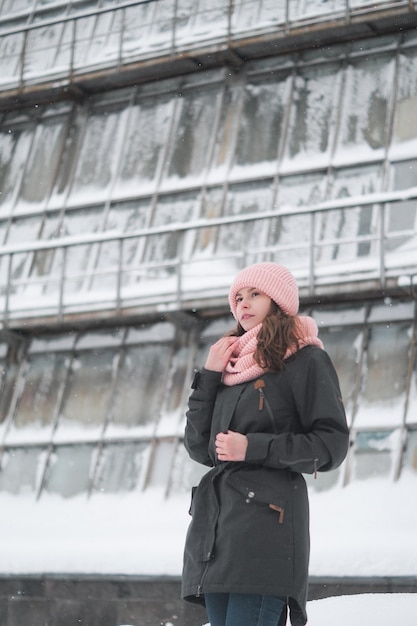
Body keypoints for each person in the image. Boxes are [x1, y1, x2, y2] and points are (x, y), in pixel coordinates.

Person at [181, 262, 349, 626]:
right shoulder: (231, 365)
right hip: (217, 537)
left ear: (279, 300)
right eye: (237, 297)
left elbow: (331, 445)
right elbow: (199, 446)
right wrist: (209, 377)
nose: (243, 303)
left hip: (264, 535)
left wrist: (252, 448)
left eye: (254, 294)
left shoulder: (305, 359)